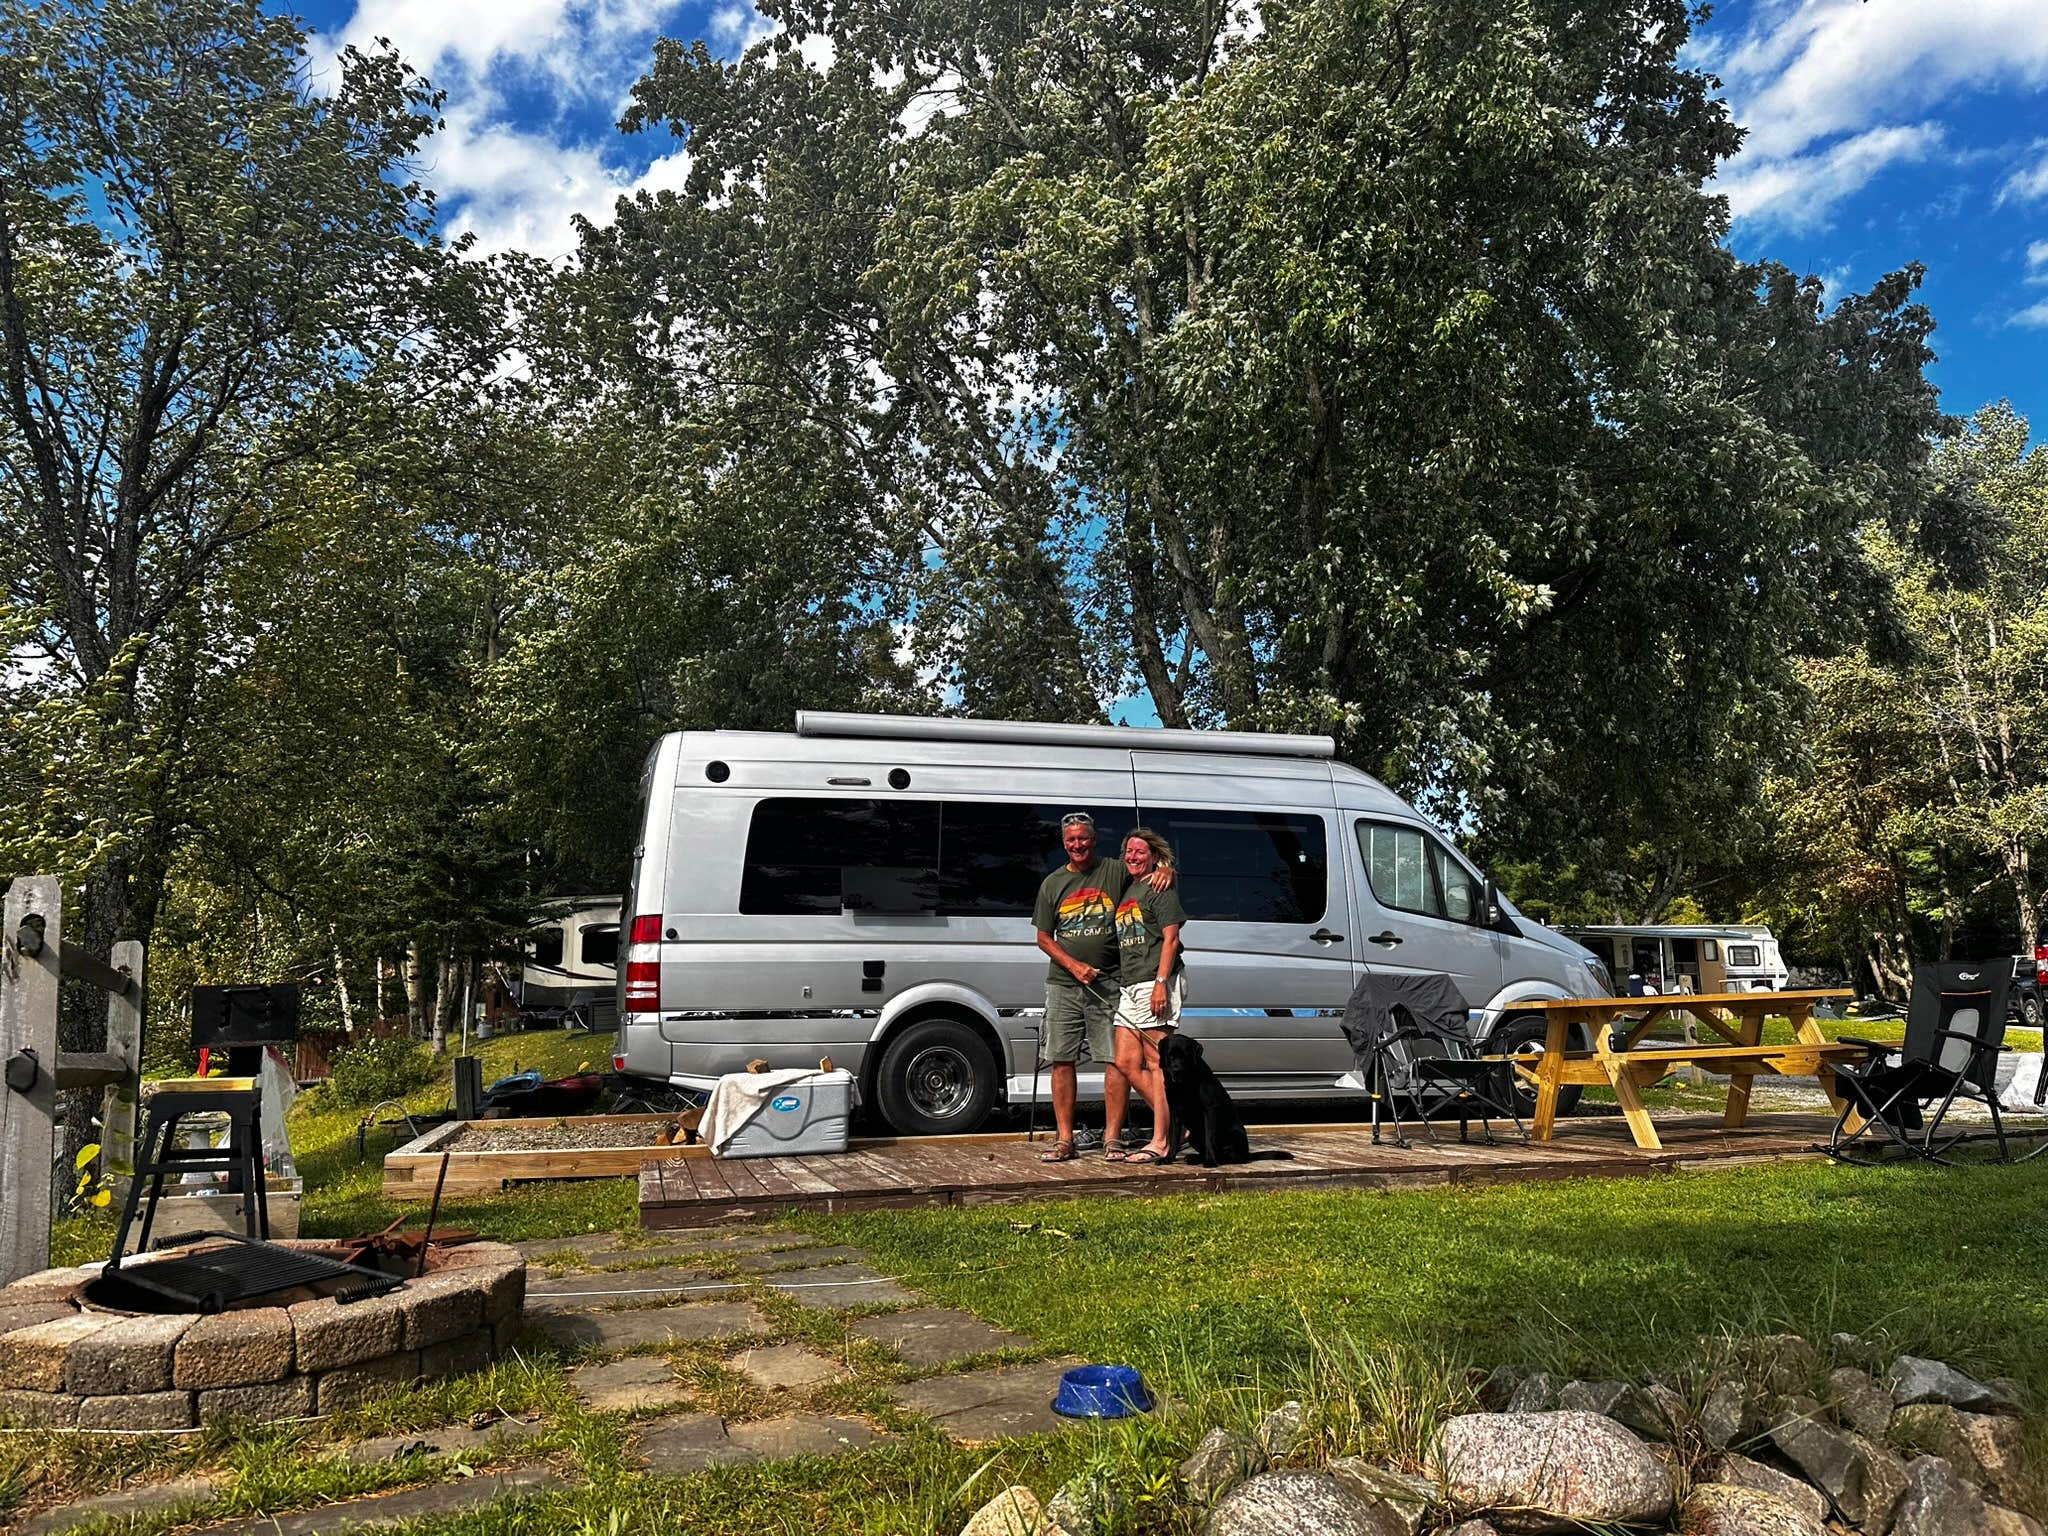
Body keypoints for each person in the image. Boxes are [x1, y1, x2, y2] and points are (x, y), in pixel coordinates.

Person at [1031, 812, 1169, 1161]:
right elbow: (1043, 938)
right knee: (1061, 1060)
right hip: (1063, 983)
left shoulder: (1114, 869)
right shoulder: (1052, 883)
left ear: (1094, 841)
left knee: (1115, 1061)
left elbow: (1147, 869)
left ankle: (1113, 1139)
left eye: (1084, 839)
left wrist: (1166, 869)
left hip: (1109, 983)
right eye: (1071, 840)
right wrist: (1075, 966)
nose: (1077, 845)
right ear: (1064, 844)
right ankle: (1065, 1139)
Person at [1107, 828, 1185, 1165]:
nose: (1133, 857)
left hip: (1156, 981)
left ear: (1154, 855)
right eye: (1129, 852)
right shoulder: (1130, 885)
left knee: (1157, 1064)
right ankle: (1179, 1125)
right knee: (1125, 1061)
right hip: (1130, 985)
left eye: (1141, 852)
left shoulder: (1159, 887)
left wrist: (1160, 983)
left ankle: (1161, 1141)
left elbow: (1170, 939)